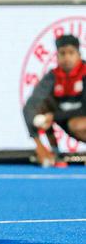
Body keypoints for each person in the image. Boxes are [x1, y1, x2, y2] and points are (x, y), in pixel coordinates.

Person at [23, 34, 85, 166]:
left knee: (77, 125)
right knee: (40, 106)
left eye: (71, 53)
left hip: (78, 119)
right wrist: (38, 142)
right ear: (57, 56)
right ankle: (54, 153)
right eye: (62, 53)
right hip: (65, 119)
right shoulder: (52, 77)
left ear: (79, 55)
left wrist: (54, 116)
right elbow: (30, 106)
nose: (67, 58)